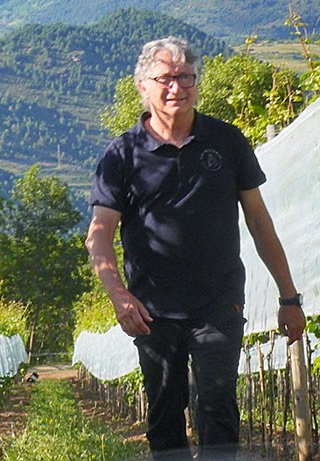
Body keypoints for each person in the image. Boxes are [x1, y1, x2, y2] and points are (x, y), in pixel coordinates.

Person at [85, 36, 307, 460]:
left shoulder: (226, 142)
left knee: (218, 407)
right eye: (166, 78)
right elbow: (99, 234)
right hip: (152, 310)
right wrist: (119, 296)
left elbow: (259, 222)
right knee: (166, 412)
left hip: (218, 302)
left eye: (186, 77)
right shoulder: (122, 156)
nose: (177, 87)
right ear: (143, 86)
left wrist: (289, 297)